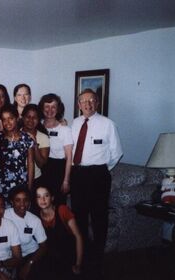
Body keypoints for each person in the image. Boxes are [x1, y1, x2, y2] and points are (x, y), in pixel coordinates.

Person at [70, 88, 122, 272]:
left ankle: (97, 259)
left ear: (97, 103)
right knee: (79, 216)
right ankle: (82, 256)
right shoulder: (73, 124)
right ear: (78, 105)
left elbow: (116, 154)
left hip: (98, 175)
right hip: (77, 175)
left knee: (99, 217)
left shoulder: (108, 124)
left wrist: (99, 170)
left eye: (91, 100)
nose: (88, 104)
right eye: (84, 101)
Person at [35, 185, 83, 279]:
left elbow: (78, 236)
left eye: (46, 195)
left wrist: (78, 264)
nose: (43, 199)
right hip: (52, 260)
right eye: (39, 197)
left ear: (52, 198)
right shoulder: (36, 218)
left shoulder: (62, 210)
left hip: (70, 257)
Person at [4, 187, 47, 280]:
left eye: (25, 200)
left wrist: (29, 263)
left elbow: (43, 246)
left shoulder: (34, 220)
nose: (22, 204)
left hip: (30, 255)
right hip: (10, 257)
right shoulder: (4, 215)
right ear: (12, 202)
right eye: (18, 200)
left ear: (29, 202)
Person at [38, 93, 73, 204]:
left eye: (53, 106)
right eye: (47, 106)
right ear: (42, 108)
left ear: (58, 109)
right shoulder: (37, 127)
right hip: (41, 169)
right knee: (41, 204)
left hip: (58, 171)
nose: (50, 109)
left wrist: (66, 181)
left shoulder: (65, 129)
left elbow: (69, 157)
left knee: (57, 205)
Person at [0, 105, 34, 203]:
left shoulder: (26, 138)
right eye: (4, 120)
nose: (7, 123)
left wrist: (29, 188)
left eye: (10, 118)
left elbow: (30, 164)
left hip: (20, 183)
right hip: (1, 183)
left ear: (17, 118)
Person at [21, 104, 50, 188]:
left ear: (39, 120)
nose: (31, 120)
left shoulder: (43, 137)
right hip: (18, 178)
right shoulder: (16, 134)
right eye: (28, 116)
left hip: (35, 179)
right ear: (23, 117)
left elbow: (41, 164)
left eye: (34, 117)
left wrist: (35, 145)